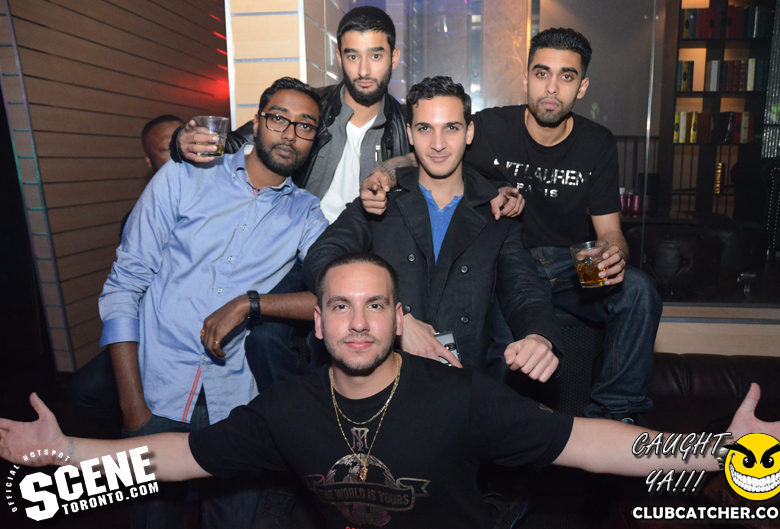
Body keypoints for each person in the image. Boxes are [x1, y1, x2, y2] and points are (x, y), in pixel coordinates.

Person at [2, 253, 780, 529]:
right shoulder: (286, 409)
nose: (358, 322)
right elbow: (179, 458)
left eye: (375, 305)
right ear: (317, 323)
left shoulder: (460, 396)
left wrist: (723, 453)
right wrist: (66, 453)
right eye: (341, 307)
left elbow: (590, 442)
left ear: (397, 318)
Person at [361, 28, 662, 422]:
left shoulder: (597, 142)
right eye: (542, 73)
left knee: (639, 291)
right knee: (505, 336)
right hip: (509, 262)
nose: (551, 87)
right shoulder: (490, 127)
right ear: (526, 78)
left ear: (582, 86)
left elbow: (610, 233)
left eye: (566, 76)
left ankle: (615, 413)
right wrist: (381, 176)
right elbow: (429, 154)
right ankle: (501, 429)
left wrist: (614, 255)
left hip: (570, 267)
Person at [97, 77, 328, 528]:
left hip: (235, 406)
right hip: (156, 393)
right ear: (256, 123)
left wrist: (250, 303)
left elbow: (334, 298)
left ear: (314, 139)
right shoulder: (183, 176)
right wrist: (132, 408)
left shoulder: (306, 213)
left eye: (305, 126)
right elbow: (124, 285)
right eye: (279, 119)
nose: (289, 134)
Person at [302, 76, 560, 381]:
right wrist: (398, 320)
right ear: (410, 134)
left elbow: (523, 289)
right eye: (425, 129)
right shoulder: (380, 201)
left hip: (463, 384)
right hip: (381, 381)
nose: (438, 144)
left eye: (451, 128)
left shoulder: (496, 214)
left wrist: (539, 337)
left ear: (469, 132)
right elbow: (321, 258)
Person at [172, 6, 411, 224]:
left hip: (369, 248)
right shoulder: (311, 107)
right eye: (353, 56)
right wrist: (184, 141)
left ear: (394, 58)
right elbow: (239, 143)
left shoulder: (407, 123)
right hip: (298, 240)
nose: (364, 70)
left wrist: (397, 166)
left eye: (375, 56)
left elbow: (430, 157)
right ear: (340, 58)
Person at [71, 114, 185, 434]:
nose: (180, 153)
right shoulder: (140, 218)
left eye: (184, 142)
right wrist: (133, 412)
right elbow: (125, 289)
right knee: (85, 392)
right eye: (168, 149)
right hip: (152, 329)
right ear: (149, 162)